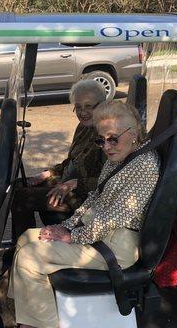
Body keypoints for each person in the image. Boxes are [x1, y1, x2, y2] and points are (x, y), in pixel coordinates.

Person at [4, 101, 160, 328]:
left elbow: (117, 214)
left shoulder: (143, 165)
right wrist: (65, 225)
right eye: (101, 140)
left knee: (31, 258)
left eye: (113, 139)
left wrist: (72, 236)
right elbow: (94, 200)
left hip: (117, 244)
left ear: (133, 133)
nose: (106, 147)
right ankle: (31, 318)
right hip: (100, 231)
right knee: (26, 239)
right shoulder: (120, 157)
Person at [11, 80, 107, 239]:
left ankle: (20, 245)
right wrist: (47, 174)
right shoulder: (84, 127)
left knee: (21, 197)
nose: (82, 112)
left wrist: (74, 183)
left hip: (85, 196)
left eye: (89, 106)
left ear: (103, 104)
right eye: (78, 107)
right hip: (66, 183)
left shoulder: (108, 135)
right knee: (18, 184)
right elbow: (71, 161)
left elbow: (111, 179)